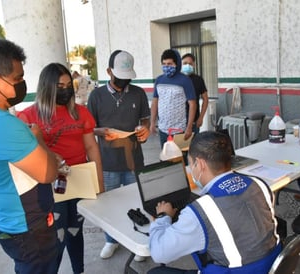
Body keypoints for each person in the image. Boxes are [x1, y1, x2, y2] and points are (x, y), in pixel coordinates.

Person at [0, 38, 60, 273]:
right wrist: (39, 140)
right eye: (18, 79)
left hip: (4, 218)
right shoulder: (0, 123)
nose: (22, 84)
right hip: (28, 226)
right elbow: (48, 172)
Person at [148, 131, 282, 274]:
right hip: (271, 267)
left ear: (199, 164)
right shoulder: (260, 184)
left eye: (191, 163)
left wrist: (163, 217)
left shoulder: (202, 211)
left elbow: (159, 252)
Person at [17, 63, 104, 274]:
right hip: (49, 183)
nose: (65, 90)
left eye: (67, 85)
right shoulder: (29, 116)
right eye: (59, 86)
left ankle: (79, 270)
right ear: (47, 87)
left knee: (75, 230)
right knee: (55, 236)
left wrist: (99, 182)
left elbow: (91, 147)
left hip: (79, 179)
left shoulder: (80, 113)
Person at [87, 50, 151, 261]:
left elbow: (145, 120)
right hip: (107, 162)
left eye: (127, 77)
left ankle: (138, 240)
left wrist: (144, 129)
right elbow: (89, 129)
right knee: (110, 205)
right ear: (108, 72)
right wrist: (101, 131)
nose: (124, 81)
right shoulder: (96, 96)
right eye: (119, 77)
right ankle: (111, 240)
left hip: (134, 161)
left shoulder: (138, 93)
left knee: (138, 201)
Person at [150, 49, 197, 147]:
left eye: (170, 64)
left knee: (182, 159)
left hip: (180, 129)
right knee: (166, 157)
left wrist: (189, 127)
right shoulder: (159, 80)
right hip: (163, 129)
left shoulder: (185, 80)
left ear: (177, 64)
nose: (166, 67)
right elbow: (155, 102)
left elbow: (192, 104)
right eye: (164, 64)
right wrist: (152, 122)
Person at [181, 53, 209, 134]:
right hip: (178, 122)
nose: (187, 65)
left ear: (194, 65)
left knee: (194, 145)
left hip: (194, 121)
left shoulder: (198, 80)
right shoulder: (177, 79)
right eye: (185, 63)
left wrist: (201, 117)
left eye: (190, 63)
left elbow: (205, 99)